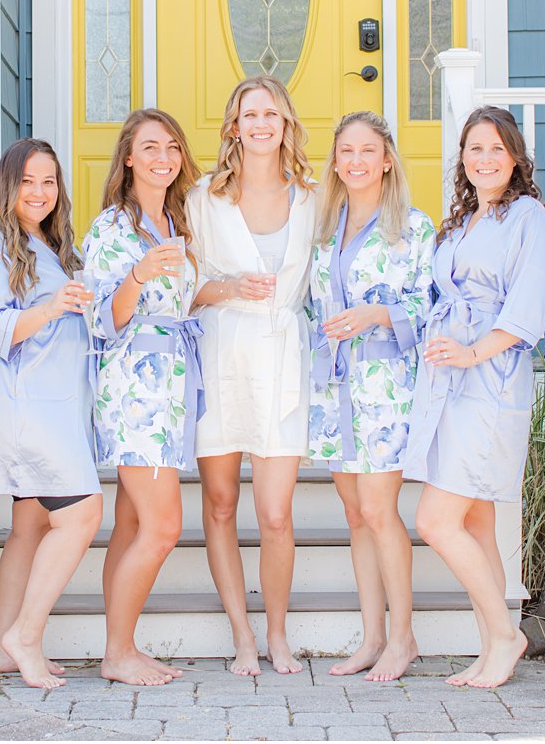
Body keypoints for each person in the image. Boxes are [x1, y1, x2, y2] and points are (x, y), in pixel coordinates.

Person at [406, 106, 545, 690]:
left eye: (496, 148)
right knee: (475, 517)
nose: (485, 159)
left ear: (515, 156)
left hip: (490, 377)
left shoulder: (529, 219)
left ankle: (505, 635)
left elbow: (531, 303)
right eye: (474, 148)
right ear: (462, 159)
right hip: (449, 377)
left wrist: (472, 353)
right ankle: (494, 644)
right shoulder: (464, 220)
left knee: (436, 518)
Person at [0, 138, 104, 689]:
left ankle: (3, 648)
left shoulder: (54, 247)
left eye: (49, 181)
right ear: (8, 187)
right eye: (27, 182)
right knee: (82, 513)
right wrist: (50, 308)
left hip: (57, 405)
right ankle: (25, 634)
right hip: (23, 407)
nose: (40, 192)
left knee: (30, 523)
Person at [186, 77, 317, 676]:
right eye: (248, 114)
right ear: (233, 126)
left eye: (271, 113)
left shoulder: (313, 197)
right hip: (221, 351)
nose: (260, 123)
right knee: (219, 502)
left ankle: (278, 633)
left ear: (286, 122)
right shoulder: (202, 199)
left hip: (282, 356)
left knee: (275, 514)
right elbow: (184, 291)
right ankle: (242, 635)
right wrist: (229, 288)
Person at [305, 111, 435, 681]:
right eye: (346, 151)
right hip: (334, 390)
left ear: (387, 160)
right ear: (336, 161)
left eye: (368, 151)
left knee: (382, 513)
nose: (356, 161)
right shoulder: (322, 228)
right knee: (356, 514)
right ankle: (372, 636)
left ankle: (403, 638)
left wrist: (380, 313)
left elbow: (436, 308)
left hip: (386, 386)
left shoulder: (415, 228)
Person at [83, 108, 203, 686]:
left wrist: (219, 291)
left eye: (172, 147)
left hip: (172, 386)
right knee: (162, 527)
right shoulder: (112, 229)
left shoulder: (175, 223)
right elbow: (105, 320)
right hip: (135, 388)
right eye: (150, 147)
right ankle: (117, 653)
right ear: (128, 158)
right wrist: (137, 274)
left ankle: (121, 645)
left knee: (131, 526)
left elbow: (180, 305)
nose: (163, 158)